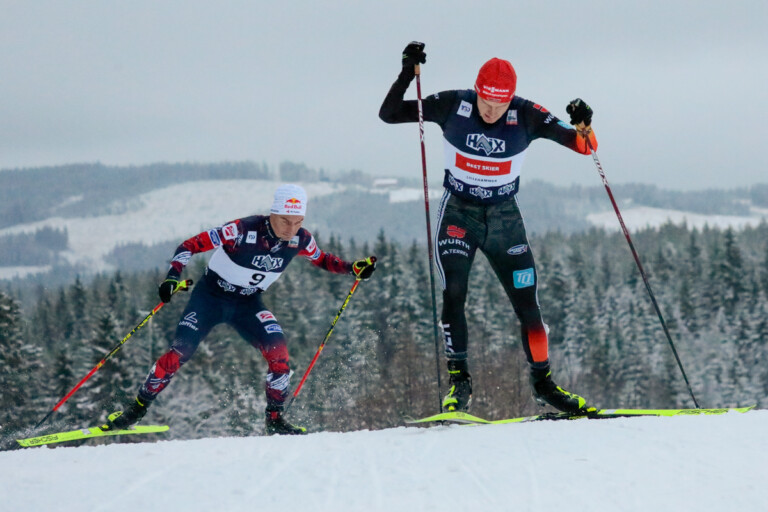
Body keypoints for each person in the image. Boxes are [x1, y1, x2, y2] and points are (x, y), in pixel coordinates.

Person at [379, 42, 596, 414]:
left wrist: (585, 124)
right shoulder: (453, 104)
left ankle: (544, 383)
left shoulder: (527, 113)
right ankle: (459, 383)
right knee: (455, 293)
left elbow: (584, 146)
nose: (492, 110)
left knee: (528, 304)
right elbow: (390, 114)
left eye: (500, 103)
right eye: (487, 102)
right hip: (458, 215)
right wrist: (405, 73)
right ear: (478, 91)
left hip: (504, 218)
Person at [104, 184, 377, 435]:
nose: (290, 228)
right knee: (179, 353)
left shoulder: (301, 239)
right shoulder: (241, 230)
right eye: (285, 220)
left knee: (280, 358)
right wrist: (173, 277)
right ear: (272, 213)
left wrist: (352, 268)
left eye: (297, 222)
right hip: (210, 298)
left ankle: (274, 420)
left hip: (248, 303)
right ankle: (136, 409)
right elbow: (187, 246)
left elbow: (323, 260)